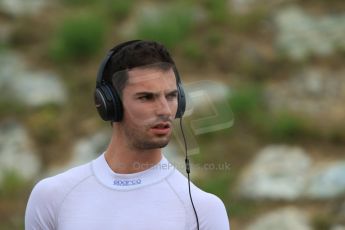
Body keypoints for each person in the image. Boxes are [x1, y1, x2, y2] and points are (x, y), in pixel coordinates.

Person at [25, 40, 230, 230]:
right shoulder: (51, 197)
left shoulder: (204, 211)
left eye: (171, 96)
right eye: (146, 97)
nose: (165, 110)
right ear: (109, 104)